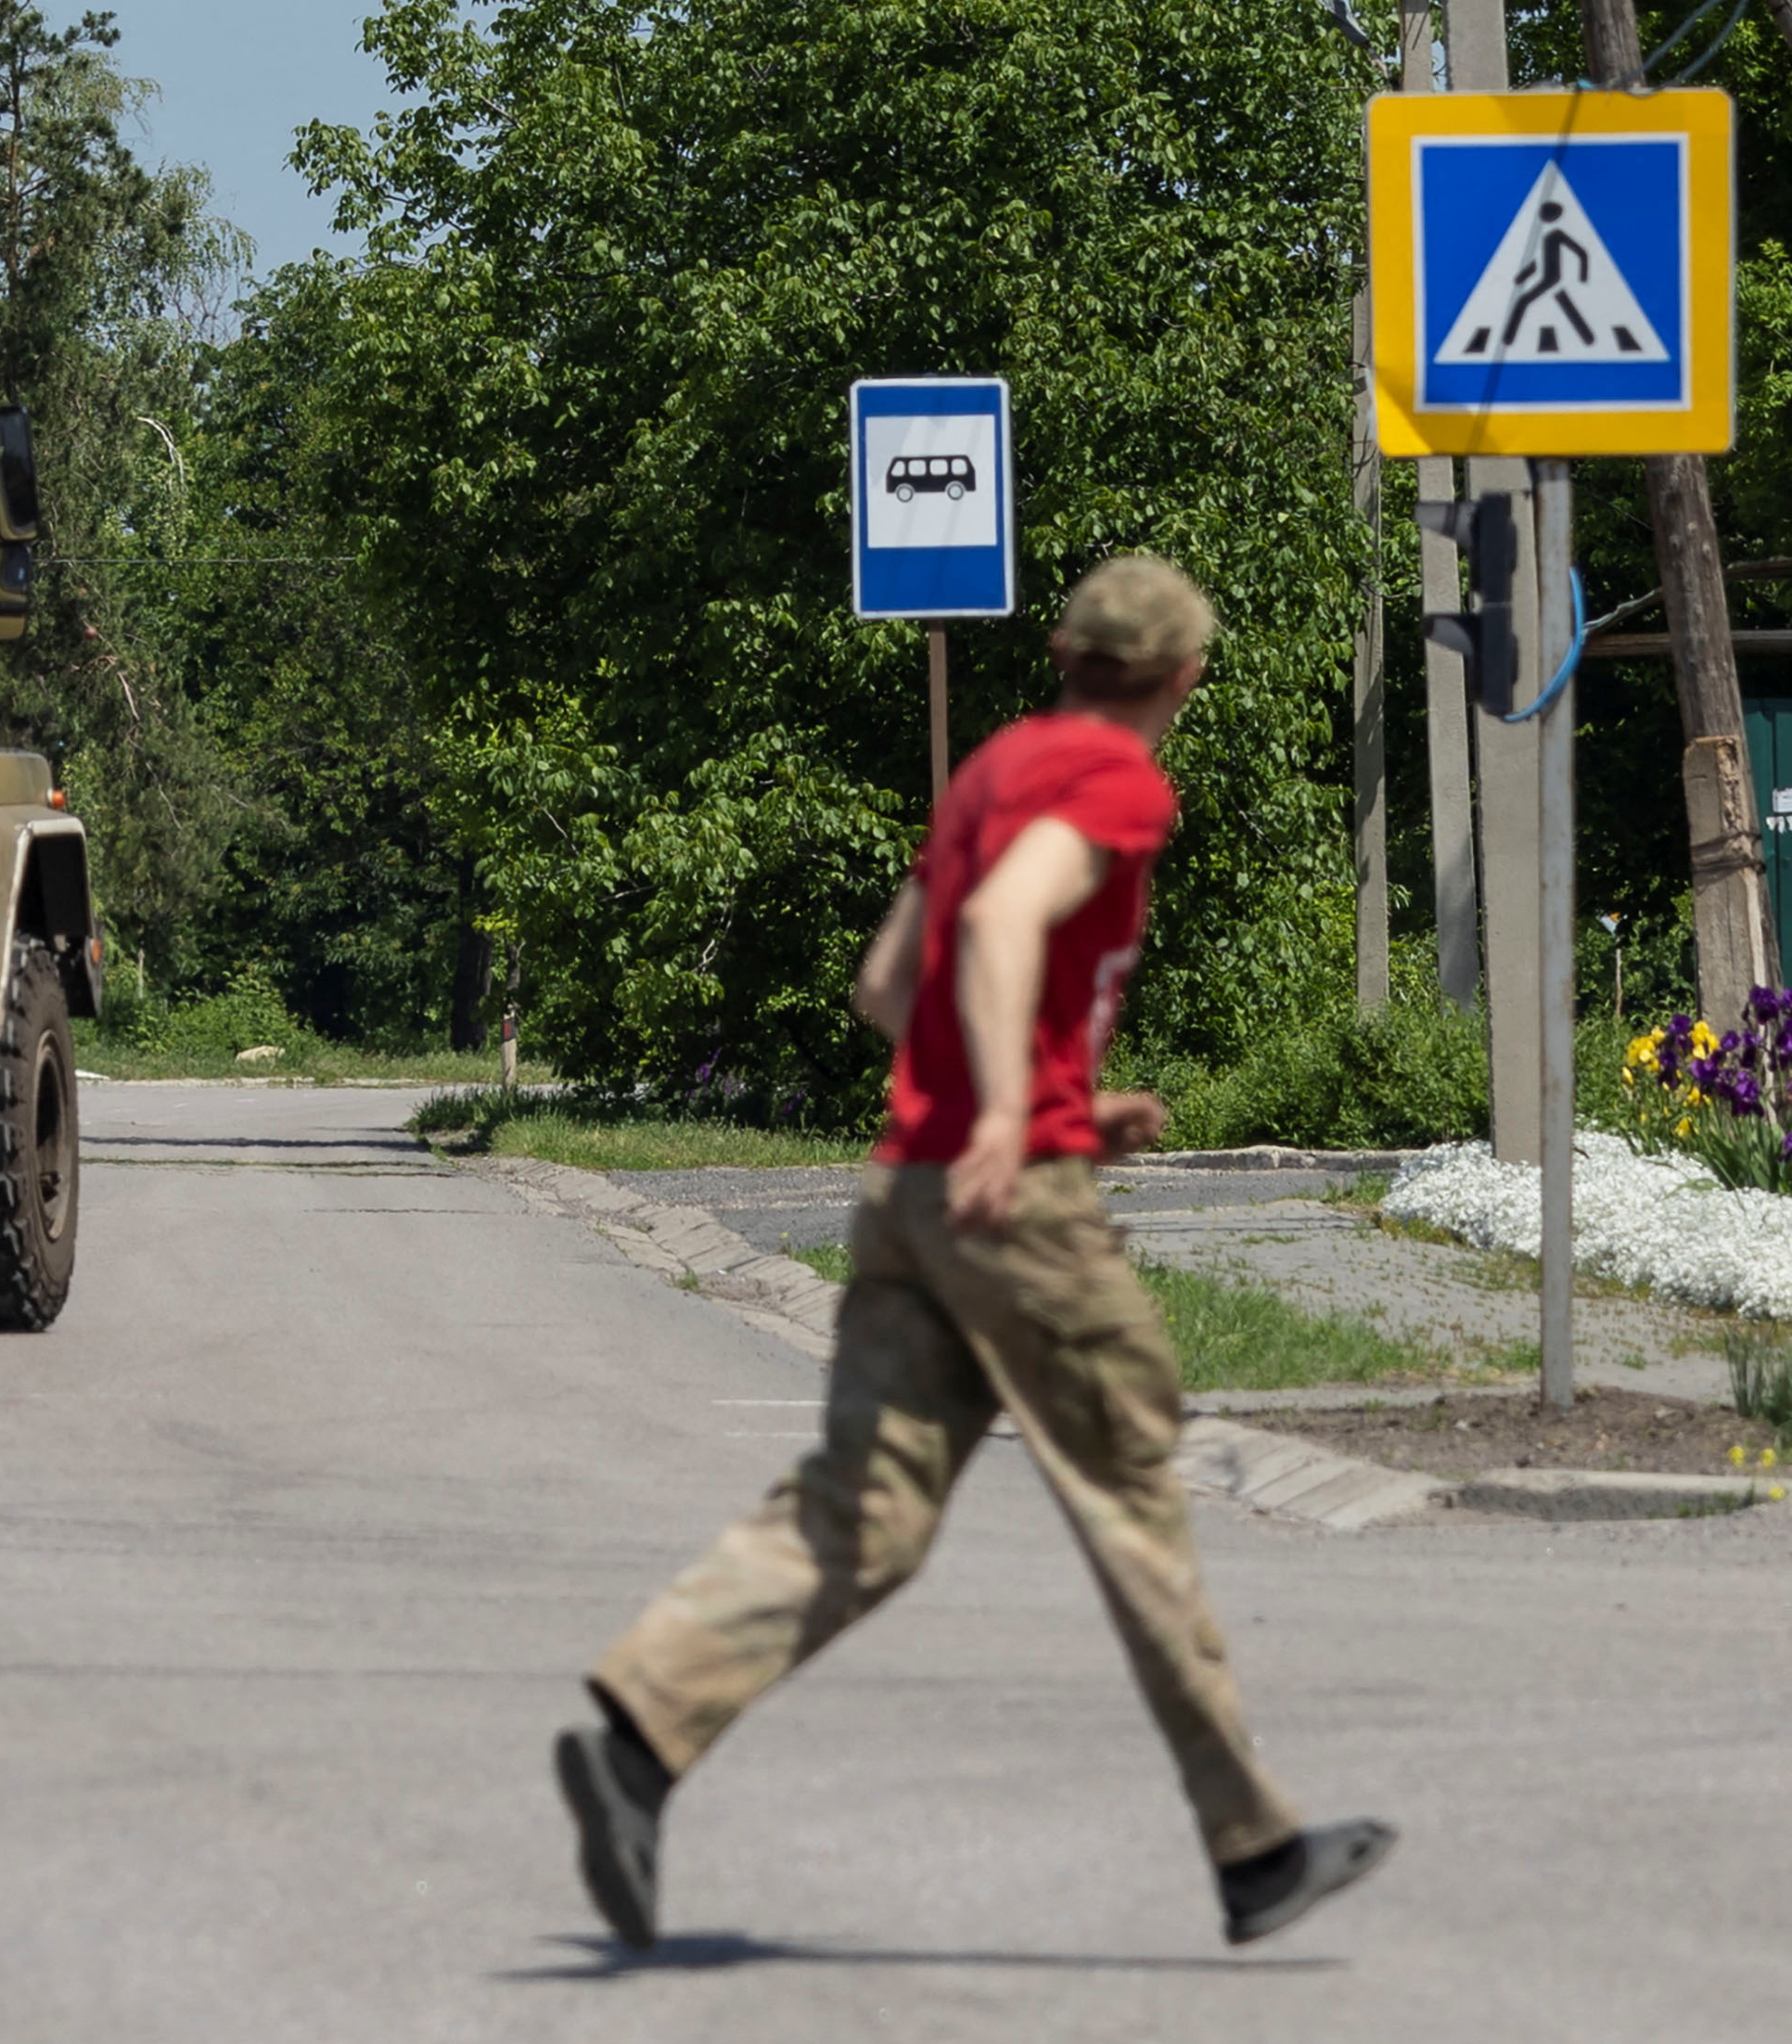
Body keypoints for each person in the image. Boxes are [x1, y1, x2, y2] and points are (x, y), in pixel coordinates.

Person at [552, 554, 1395, 1954]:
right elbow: (1005, 925)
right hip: (1017, 1212)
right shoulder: (1117, 778)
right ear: (1180, 680)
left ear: (1062, 651)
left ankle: (641, 1735)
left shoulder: (992, 769)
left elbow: (891, 984)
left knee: (862, 1515)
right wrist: (1020, 1114)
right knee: (1134, 1490)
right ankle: (1253, 1849)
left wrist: (1043, 1090)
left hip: (912, 1188)